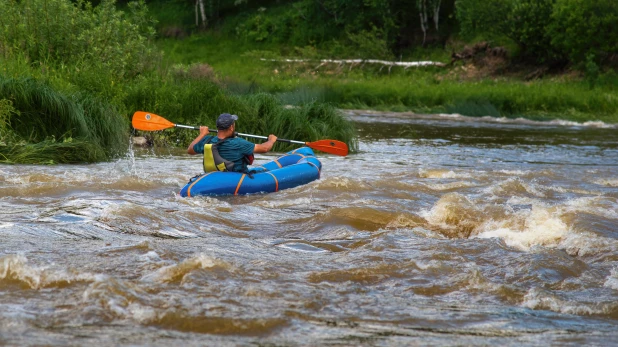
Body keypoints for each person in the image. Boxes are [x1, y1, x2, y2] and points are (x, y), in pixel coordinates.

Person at [187, 113, 277, 173]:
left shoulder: (207, 140)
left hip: (215, 177)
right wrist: (271, 140)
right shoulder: (238, 143)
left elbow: (190, 150)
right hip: (237, 177)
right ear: (231, 127)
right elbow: (264, 148)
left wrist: (202, 134)